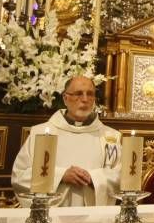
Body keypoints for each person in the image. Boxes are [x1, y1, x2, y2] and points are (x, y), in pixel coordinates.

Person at [11, 76, 121, 207]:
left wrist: (94, 178)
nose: (85, 99)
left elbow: (123, 177)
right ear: (65, 98)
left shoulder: (110, 137)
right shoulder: (39, 133)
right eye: (78, 94)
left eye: (90, 94)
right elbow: (20, 176)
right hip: (51, 218)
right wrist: (61, 176)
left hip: (94, 218)